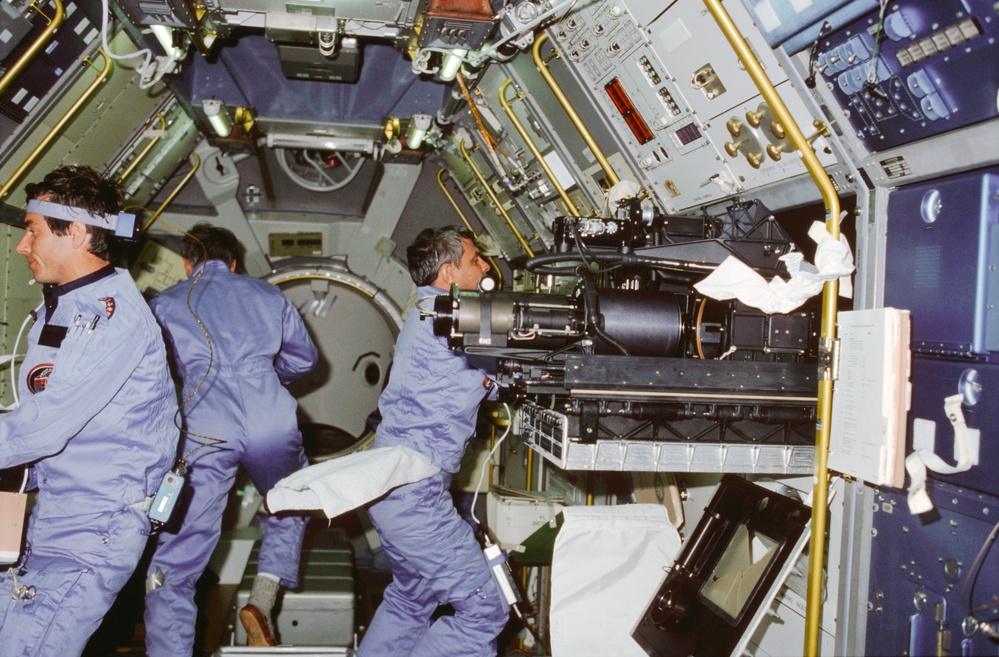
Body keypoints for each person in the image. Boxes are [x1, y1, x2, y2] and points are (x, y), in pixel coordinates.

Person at [0, 165, 178, 656]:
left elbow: (38, 429)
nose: (21, 245)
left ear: (76, 233)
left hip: (90, 530)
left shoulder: (106, 319)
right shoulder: (65, 306)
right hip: (57, 516)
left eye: (32, 230)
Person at [143, 223, 318, 655]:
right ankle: (261, 600)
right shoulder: (268, 295)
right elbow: (304, 359)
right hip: (270, 420)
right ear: (234, 263)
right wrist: (263, 379)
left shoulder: (166, 303)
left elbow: (154, 371)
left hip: (203, 428)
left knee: (179, 555)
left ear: (189, 264)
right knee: (292, 500)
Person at [357, 226, 509, 657]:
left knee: (411, 600)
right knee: (486, 611)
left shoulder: (424, 313)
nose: (486, 267)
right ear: (448, 273)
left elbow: (479, 378)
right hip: (416, 497)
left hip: (392, 488)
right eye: (475, 260)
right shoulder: (454, 319)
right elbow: (504, 372)